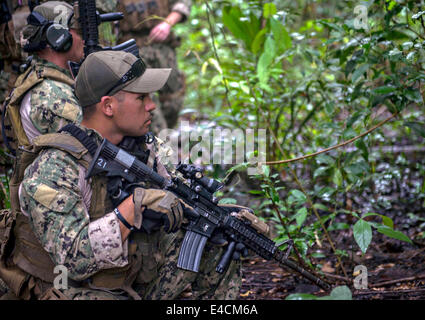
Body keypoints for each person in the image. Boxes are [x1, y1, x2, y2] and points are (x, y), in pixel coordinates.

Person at [0, 50, 241, 300]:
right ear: (108, 106)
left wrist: (231, 219)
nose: (152, 105)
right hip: (69, 288)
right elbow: (74, 260)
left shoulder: (146, 147)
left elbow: (187, 199)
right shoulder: (55, 167)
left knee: (216, 243)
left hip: (129, 274)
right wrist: (132, 208)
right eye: (141, 98)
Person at [117, 0, 191, 133]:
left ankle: (164, 135)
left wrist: (167, 24)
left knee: (173, 100)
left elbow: (183, 3)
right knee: (146, 97)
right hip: (131, 47)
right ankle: (159, 143)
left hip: (163, 45)